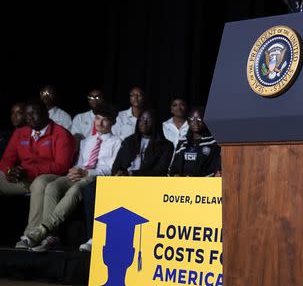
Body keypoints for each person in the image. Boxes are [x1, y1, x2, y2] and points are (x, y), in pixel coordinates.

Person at [20, 107, 122, 252]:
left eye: (105, 119)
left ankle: (43, 229)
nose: (100, 122)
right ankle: (51, 237)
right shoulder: (87, 141)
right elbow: (80, 163)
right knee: (53, 186)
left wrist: (86, 172)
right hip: (80, 174)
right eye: (98, 118)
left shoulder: (117, 142)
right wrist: (75, 170)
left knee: (76, 189)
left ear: (113, 122)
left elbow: (111, 169)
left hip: (96, 178)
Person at [79, 110, 174, 252]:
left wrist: (131, 175)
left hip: (146, 185)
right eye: (141, 119)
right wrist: (119, 173)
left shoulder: (166, 145)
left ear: (156, 123)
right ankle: (94, 237)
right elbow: (117, 165)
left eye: (148, 119)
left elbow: (159, 171)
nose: (144, 122)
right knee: (91, 189)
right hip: (123, 183)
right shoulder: (130, 141)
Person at [0, 100, 76, 199]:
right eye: (27, 114)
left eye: (34, 113)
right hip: (22, 177)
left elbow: (61, 167)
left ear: (46, 113)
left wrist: (29, 172)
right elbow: (6, 160)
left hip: (45, 177)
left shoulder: (61, 134)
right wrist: (10, 171)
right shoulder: (20, 132)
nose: (30, 118)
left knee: (40, 183)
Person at [168, 106, 221, 177]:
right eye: (192, 119)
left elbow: (215, 168)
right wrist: (175, 175)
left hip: (204, 185)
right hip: (182, 185)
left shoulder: (213, 143)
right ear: (188, 121)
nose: (195, 122)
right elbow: (173, 167)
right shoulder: (183, 143)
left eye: (199, 119)